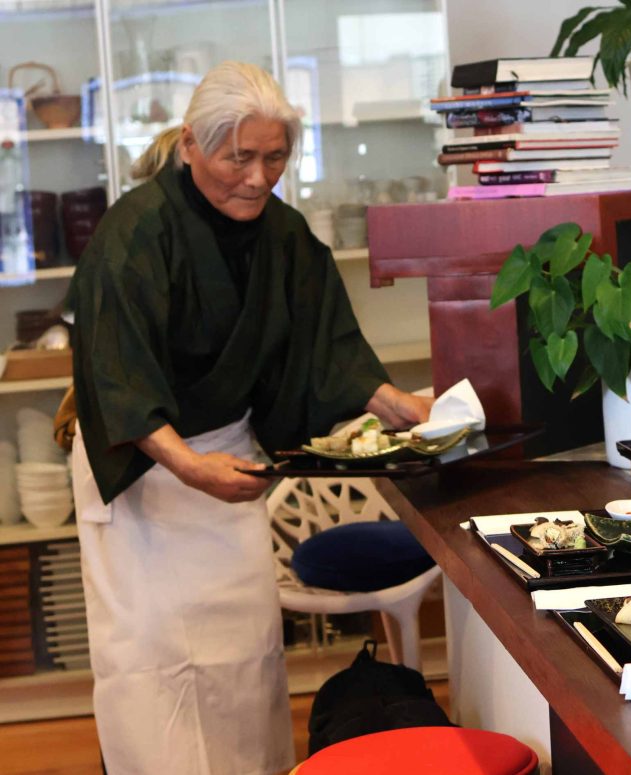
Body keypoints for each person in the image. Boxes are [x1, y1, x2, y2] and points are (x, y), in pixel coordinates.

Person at [66, 61, 431, 775]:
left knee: (242, 663)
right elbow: (118, 372)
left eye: (275, 157)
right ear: (192, 148)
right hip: (144, 467)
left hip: (226, 464)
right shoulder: (134, 234)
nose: (259, 177)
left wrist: (400, 405)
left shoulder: (285, 234)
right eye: (240, 157)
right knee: (151, 668)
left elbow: (328, 345)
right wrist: (188, 465)